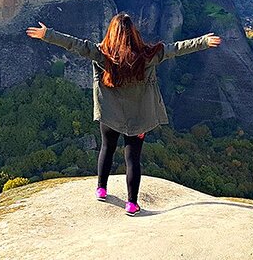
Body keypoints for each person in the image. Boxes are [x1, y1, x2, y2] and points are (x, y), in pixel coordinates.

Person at [26, 13, 221, 216]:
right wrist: (204, 41)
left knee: (107, 149)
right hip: (138, 118)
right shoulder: (148, 55)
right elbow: (177, 48)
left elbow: (75, 45)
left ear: (111, 33)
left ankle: (101, 189)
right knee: (132, 159)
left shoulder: (102, 54)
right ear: (134, 34)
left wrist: (47, 34)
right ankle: (131, 204)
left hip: (110, 115)